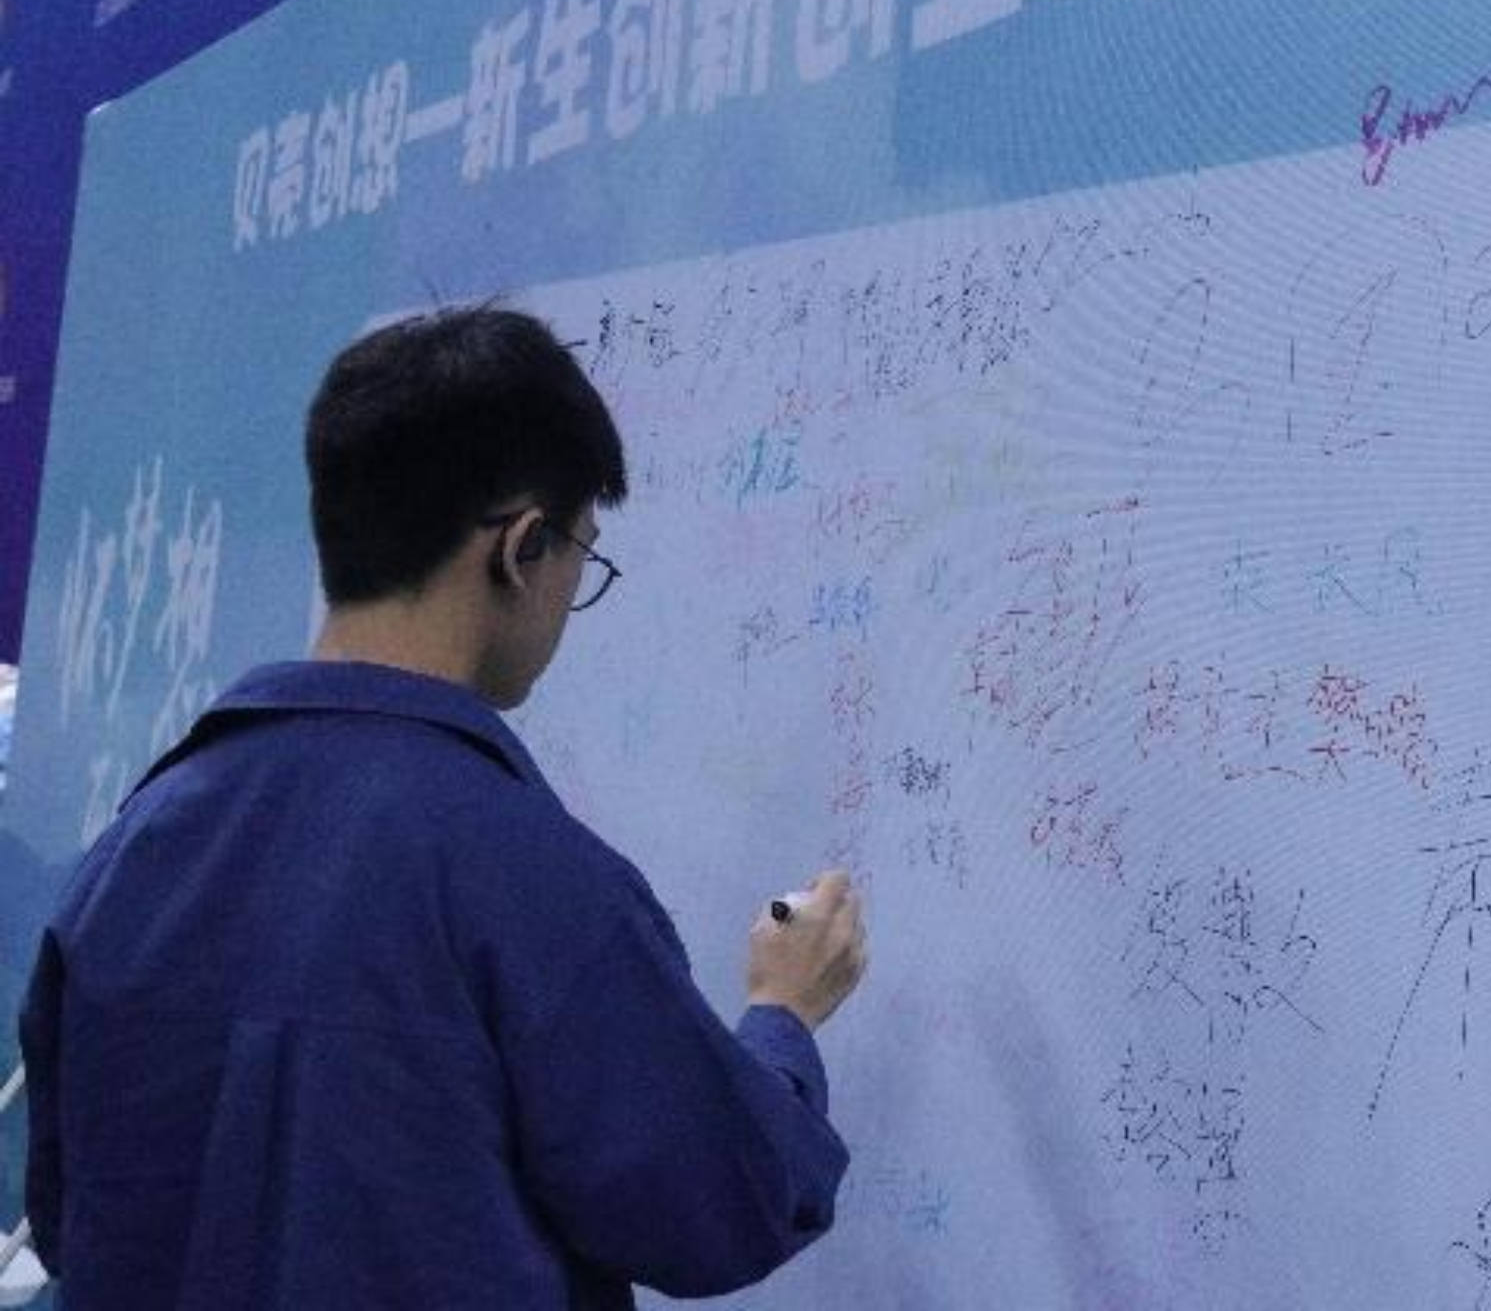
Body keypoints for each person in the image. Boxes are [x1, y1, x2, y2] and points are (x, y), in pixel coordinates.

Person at [17, 304, 869, 1307]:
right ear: (521, 547)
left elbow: (71, 1214)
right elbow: (716, 1204)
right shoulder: (524, 876)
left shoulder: (137, 846)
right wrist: (783, 1015)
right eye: (581, 557)